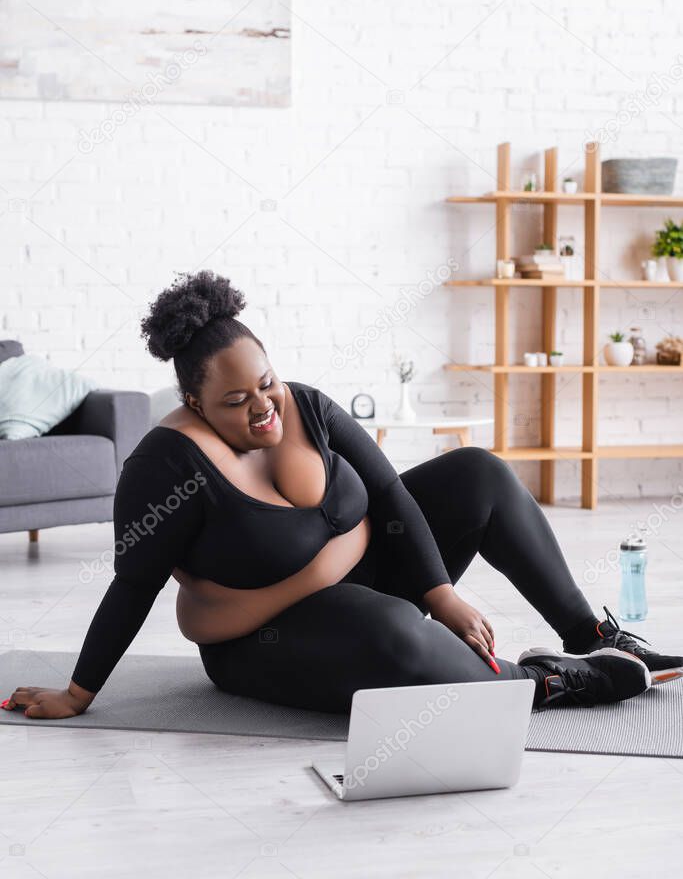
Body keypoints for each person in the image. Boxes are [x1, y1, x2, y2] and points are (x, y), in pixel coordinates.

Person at [4, 270, 682, 722]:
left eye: (265, 383)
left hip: (373, 582)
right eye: (234, 401)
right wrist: (77, 692)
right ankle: (543, 681)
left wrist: (438, 591)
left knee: (476, 470)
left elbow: (388, 494)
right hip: (268, 639)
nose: (262, 408)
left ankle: (594, 635)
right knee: (392, 633)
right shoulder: (167, 467)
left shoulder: (306, 406)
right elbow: (132, 585)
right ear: (194, 402)